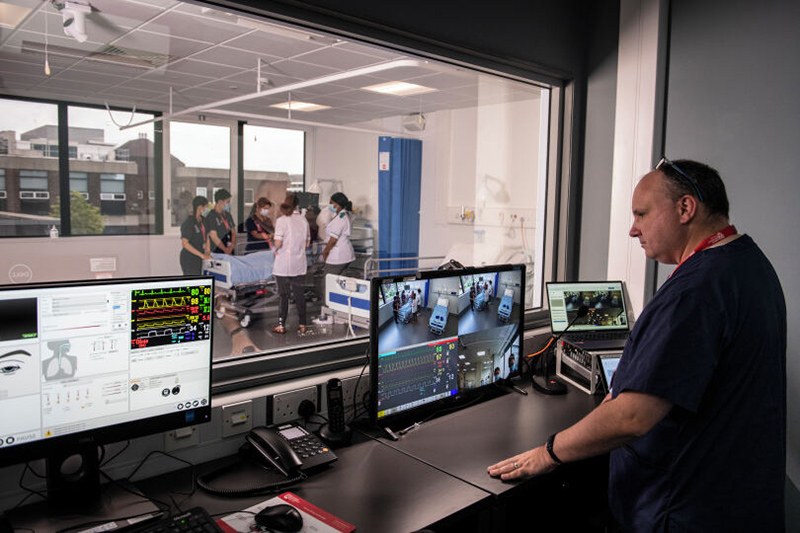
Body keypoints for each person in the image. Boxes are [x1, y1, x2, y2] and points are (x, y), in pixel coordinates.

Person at [488, 159, 786, 531]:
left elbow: (632, 417)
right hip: (739, 498)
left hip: (685, 508)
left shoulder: (695, 291)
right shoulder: (750, 264)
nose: (633, 230)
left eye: (642, 214)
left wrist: (548, 453)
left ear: (685, 208)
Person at [271, 194, 311, 334]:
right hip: (299, 263)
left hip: (283, 265)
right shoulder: (303, 221)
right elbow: (307, 244)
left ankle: (281, 325)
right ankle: (302, 324)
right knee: (299, 294)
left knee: (283, 296)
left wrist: (274, 248)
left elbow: (278, 243)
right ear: (297, 206)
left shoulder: (282, 221)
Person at [179, 195, 211, 275]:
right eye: (205, 207)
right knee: (192, 281)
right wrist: (202, 255)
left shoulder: (204, 220)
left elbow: (207, 237)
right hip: (189, 257)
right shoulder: (189, 222)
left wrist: (208, 252)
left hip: (200, 256)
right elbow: (185, 243)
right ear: (200, 207)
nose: (205, 209)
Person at [207, 189, 236, 255]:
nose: (228, 204)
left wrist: (231, 246)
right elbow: (214, 236)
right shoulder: (211, 216)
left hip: (230, 250)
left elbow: (233, 232)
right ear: (220, 202)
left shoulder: (228, 215)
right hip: (218, 251)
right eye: (227, 202)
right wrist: (225, 250)